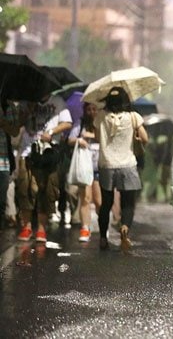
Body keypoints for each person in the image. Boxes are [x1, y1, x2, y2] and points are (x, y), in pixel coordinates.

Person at [94, 87, 148, 252]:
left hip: (107, 165)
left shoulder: (101, 116)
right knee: (127, 203)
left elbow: (97, 138)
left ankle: (103, 238)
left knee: (106, 203)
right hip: (128, 165)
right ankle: (124, 228)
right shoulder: (133, 117)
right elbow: (145, 139)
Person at [15, 93, 73, 242]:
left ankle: (41, 228)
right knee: (25, 188)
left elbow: (67, 123)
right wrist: (28, 110)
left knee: (47, 190)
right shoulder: (26, 102)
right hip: (28, 152)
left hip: (49, 152)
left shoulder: (58, 101)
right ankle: (26, 226)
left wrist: (52, 132)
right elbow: (17, 124)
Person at [66, 102, 102, 243]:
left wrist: (93, 134)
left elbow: (106, 139)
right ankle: (85, 228)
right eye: (89, 109)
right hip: (84, 166)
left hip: (99, 166)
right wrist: (80, 139)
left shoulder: (101, 123)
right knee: (85, 198)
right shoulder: (80, 124)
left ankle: (102, 225)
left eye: (94, 109)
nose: (91, 112)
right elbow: (70, 139)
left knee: (99, 200)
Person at [0, 98, 19, 230]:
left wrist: (2, 122)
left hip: (3, 157)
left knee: (2, 195)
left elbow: (14, 131)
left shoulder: (8, 105)